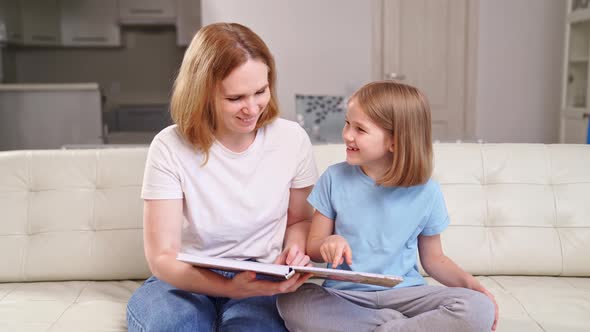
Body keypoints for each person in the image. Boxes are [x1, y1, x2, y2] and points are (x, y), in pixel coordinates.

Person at [126, 22, 318, 332]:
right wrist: (229, 288)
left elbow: (299, 221)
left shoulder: (292, 139)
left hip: (260, 276)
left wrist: (294, 252)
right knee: (174, 325)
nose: (252, 108)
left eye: (261, 91)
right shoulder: (169, 146)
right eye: (235, 98)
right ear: (202, 93)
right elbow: (163, 256)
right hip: (185, 277)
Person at [277, 81, 499, 332]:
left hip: (404, 295)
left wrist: (472, 286)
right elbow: (313, 245)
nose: (347, 134)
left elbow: (434, 259)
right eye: (347, 123)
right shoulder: (334, 178)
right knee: (292, 301)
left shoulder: (427, 191)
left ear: (395, 141)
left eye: (360, 129)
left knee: (478, 308)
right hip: (346, 298)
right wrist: (328, 243)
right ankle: (396, 327)